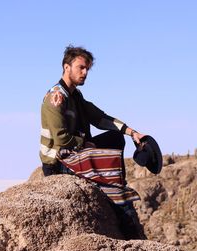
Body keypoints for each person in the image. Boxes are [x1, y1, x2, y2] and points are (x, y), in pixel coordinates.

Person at [39, 45, 147, 239]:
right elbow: (61, 138)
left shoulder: (76, 97)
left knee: (114, 137)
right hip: (59, 162)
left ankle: (116, 182)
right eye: (81, 67)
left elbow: (100, 118)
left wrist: (132, 132)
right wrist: (85, 144)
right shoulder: (56, 97)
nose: (85, 72)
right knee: (112, 188)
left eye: (87, 68)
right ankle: (120, 204)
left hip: (76, 154)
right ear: (66, 67)